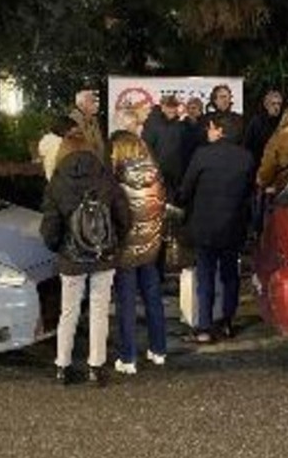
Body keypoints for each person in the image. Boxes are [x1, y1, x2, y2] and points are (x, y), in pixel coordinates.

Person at [40, 121, 131, 386]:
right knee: (99, 309)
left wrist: (57, 247)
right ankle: (95, 367)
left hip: (71, 256)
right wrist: (116, 242)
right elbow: (123, 216)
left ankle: (62, 367)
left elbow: (50, 226)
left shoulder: (57, 181)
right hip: (103, 254)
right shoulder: (105, 177)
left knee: (68, 311)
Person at [177, 116, 255, 343]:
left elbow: (186, 189)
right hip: (234, 225)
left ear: (219, 131)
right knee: (231, 275)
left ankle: (204, 326)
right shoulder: (246, 157)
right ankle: (227, 322)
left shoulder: (203, 154)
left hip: (205, 226)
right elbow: (250, 190)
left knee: (206, 276)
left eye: (212, 128)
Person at [109, 130, 168, 376]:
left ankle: (128, 357)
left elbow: (115, 216)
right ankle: (159, 350)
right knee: (153, 299)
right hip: (151, 248)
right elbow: (161, 209)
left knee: (126, 304)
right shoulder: (156, 176)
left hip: (125, 251)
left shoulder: (116, 179)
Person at [141, 94, 186, 202]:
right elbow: (146, 147)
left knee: (172, 203)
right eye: (169, 106)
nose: (172, 109)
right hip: (157, 171)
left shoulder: (179, 124)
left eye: (174, 106)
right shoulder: (152, 123)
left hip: (175, 173)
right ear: (162, 107)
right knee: (157, 202)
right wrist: (154, 168)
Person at [243, 90, 284, 163]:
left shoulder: (282, 123)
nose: (276, 107)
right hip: (258, 163)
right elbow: (247, 145)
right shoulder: (257, 122)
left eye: (279, 104)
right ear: (266, 105)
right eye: (273, 104)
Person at [69, 89, 106, 161]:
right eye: (93, 101)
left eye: (97, 101)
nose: (97, 105)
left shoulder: (94, 120)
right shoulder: (73, 122)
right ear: (81, 104)